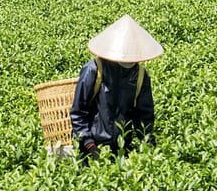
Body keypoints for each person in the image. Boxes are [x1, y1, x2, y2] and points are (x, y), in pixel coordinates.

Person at [70, 15, 163, 163]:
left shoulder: (140, 75)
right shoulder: (94, 70)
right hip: (91, 148)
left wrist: (148, 148)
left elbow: (144, 117)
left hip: (121, 150)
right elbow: (78, 112)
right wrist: (89, 144)